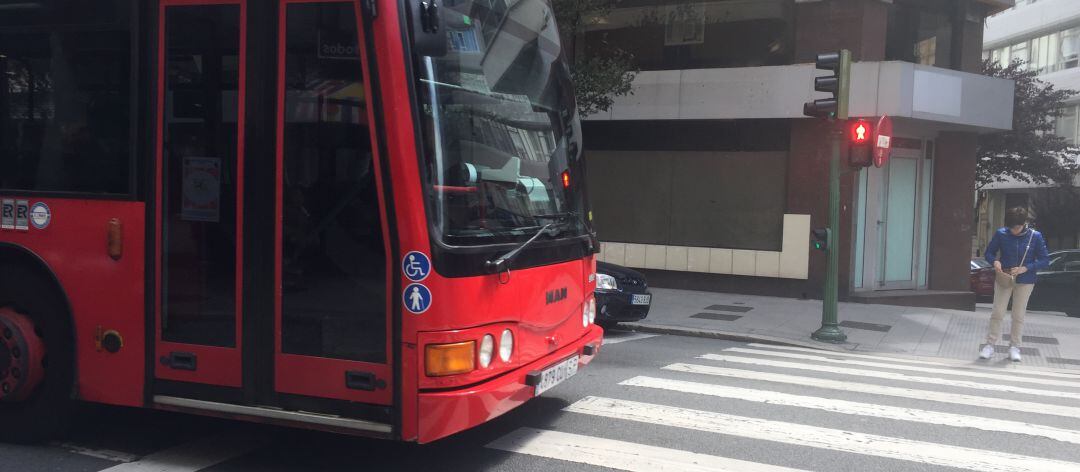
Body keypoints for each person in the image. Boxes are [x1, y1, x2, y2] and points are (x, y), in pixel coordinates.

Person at [980, 207, 1050, 362]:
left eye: (1016, 228)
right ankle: (990, 345)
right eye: (1011, 227)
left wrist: (1026, 268)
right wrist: (995, 261)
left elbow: (1045, 260)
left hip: (1025, 280)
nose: (1014, 231)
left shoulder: (1035, 236)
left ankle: (1014, 346)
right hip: (1004, 277)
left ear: (1024, 223)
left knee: (1018, 315)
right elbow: (989, 253)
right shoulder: (1001, 233)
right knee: (998, 312)